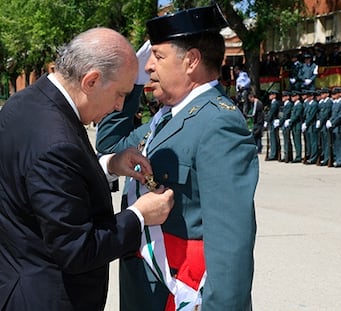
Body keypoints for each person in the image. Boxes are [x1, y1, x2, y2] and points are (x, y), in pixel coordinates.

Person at [96, 5, 258, 311]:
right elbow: (109, 146)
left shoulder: (217, 124)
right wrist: (128, 86)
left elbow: (230, 241)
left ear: (191, 61)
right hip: (145, 290)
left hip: (179, 295)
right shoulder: (166, 121)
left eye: (157, 57)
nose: (149, 68)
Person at [0, 27, 174, 311]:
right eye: (119, 94)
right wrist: (140, 216)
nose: (119, 107)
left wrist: (108, 164)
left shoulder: (26, 103)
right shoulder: (55, 141)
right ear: (91, 81)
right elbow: (77, 249)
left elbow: (45, 181)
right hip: (46, 298)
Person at [326, 87, 341, 167]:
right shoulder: (335, 103)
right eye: (332, 94)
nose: (333, 95)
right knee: (336, 144)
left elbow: (340, 116)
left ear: (340, 94)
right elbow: (333, 115)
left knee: (340, 144)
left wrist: (333, 123)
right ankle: (337, 159)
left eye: (335, 94)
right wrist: (330, 121)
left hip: (339, 126)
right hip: (334, 127)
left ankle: (340, 160)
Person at [264, 90, 281, 160]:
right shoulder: (273, 103)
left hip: (273, 122)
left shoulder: (275, 103)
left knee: (273, 139)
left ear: (274, 96)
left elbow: (271, 113)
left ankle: (273, 155)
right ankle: (274, 154)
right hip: (272, 122)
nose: (269, 96)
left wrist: (267, 120)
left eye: (271, 94)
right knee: (272, 139)